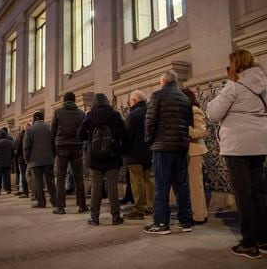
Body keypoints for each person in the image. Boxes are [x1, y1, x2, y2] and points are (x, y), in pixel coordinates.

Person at [207, 49, 267, 259]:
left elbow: (212, 113)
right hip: (259, 143)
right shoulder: (264, 86)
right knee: (257, 192)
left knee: (243, 194)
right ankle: (264, 241)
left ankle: (249, 243)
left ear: (236, 65)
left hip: (237, 145)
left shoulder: (233, 86)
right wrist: (258, 132)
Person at [144, 70, 193, 234]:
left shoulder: (157, 96)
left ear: (163, 81)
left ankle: (161, 223)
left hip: (162, 148)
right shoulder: (185, 98)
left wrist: (150, 141)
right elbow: (189, 123)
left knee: (161, 186)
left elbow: (150, 121)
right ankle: (185, 221)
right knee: (182, 186)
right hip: (180, 147)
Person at [78, 93, 126, 226]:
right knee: (113, 188)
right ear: (107, 102)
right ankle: (116, 217)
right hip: (112, 157)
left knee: (95, 188)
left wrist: (90, 139)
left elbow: (80, 134)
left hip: (95, 158)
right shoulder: (115, 115)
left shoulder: (90, 116)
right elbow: (124, 134)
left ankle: (94, 217)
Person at [51, 92, 88, 214]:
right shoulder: (81, 114)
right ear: (74, 100)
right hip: (77, 147)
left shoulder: (57, 113)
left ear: (64, 100)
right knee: (78, 176)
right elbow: (84, 132)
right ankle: (82, 205)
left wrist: (54, 148)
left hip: (61, 147)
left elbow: (53, 132)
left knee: (61, 177)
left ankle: (60, 207)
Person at [123, 90, 154, 220]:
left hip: (135, 154)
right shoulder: (151, 112)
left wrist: (124, 150)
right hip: (150, 152)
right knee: (149, 180)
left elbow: (127, 136)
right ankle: (151, 207)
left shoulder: (133, 115)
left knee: (137, 182)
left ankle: (138, 209)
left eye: (130, 101)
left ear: (134, 101)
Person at [183, 89, 209, 225]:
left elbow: (202, 131)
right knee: (192, 186)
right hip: (188, 151)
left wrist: (185, 129)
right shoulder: (186, 111)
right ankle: (198, 213)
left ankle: (198, 216)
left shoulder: (194, 110)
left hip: (194, 151)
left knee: (195, 186)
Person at [23, 111, 56, 209]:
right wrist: (53, 156)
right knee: (50, 182)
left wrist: (27, 158)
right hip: (48, 159)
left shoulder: (30, 130)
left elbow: (26, 146)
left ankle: (41, 202)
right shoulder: (50, 128)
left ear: (34, 119)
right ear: (43, 118)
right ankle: (55, 201)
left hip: (34, 161)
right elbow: (54, 144)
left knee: (38, 182)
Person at [0, 129, 14, 195]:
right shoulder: (10, 142)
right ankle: (8, 189)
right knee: (7, 176)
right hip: (7, 162)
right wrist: (11, 159)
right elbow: (13, 153)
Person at [15, 123, 31, 198]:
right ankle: (33, 192)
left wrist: (17, 154)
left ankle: (25, 191)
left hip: (22, 158)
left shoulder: (21, 135)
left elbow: (18, 147)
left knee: (23, 174)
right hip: (31, 158)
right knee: (32, 175)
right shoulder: (32, 134)